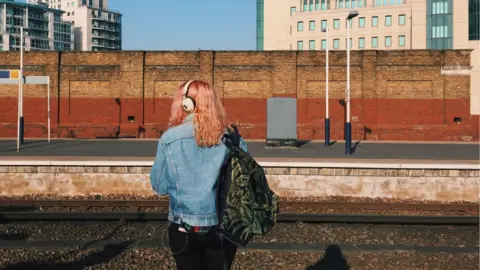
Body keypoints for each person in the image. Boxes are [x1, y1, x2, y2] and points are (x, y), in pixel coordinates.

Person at [150, 79, 249, 270]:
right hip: (223, 228)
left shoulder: (169, 139)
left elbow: (159, 186)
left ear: (186, 104)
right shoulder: (233, 139)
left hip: (183, 229)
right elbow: (245, 183)